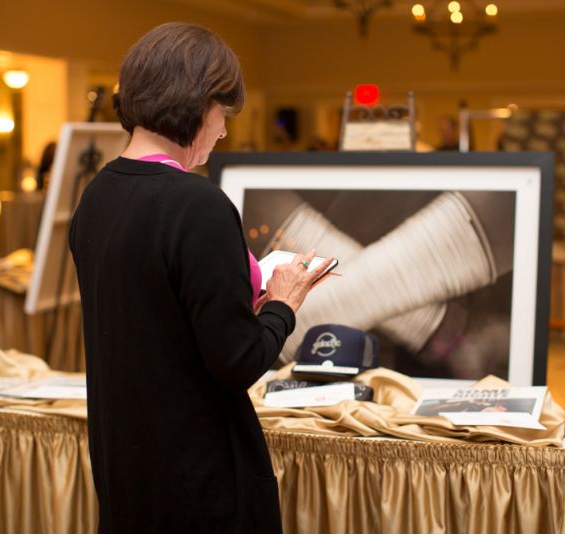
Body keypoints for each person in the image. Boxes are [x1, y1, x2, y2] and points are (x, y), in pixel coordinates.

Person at [69, 22, 332, 533]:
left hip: (126, 467)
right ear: (196, 102)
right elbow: (236, 363)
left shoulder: (97, 196)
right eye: (222, 113)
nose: (224, 130)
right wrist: (282, 303)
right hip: (198, 479)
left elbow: (159, 322)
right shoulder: (197, 203)